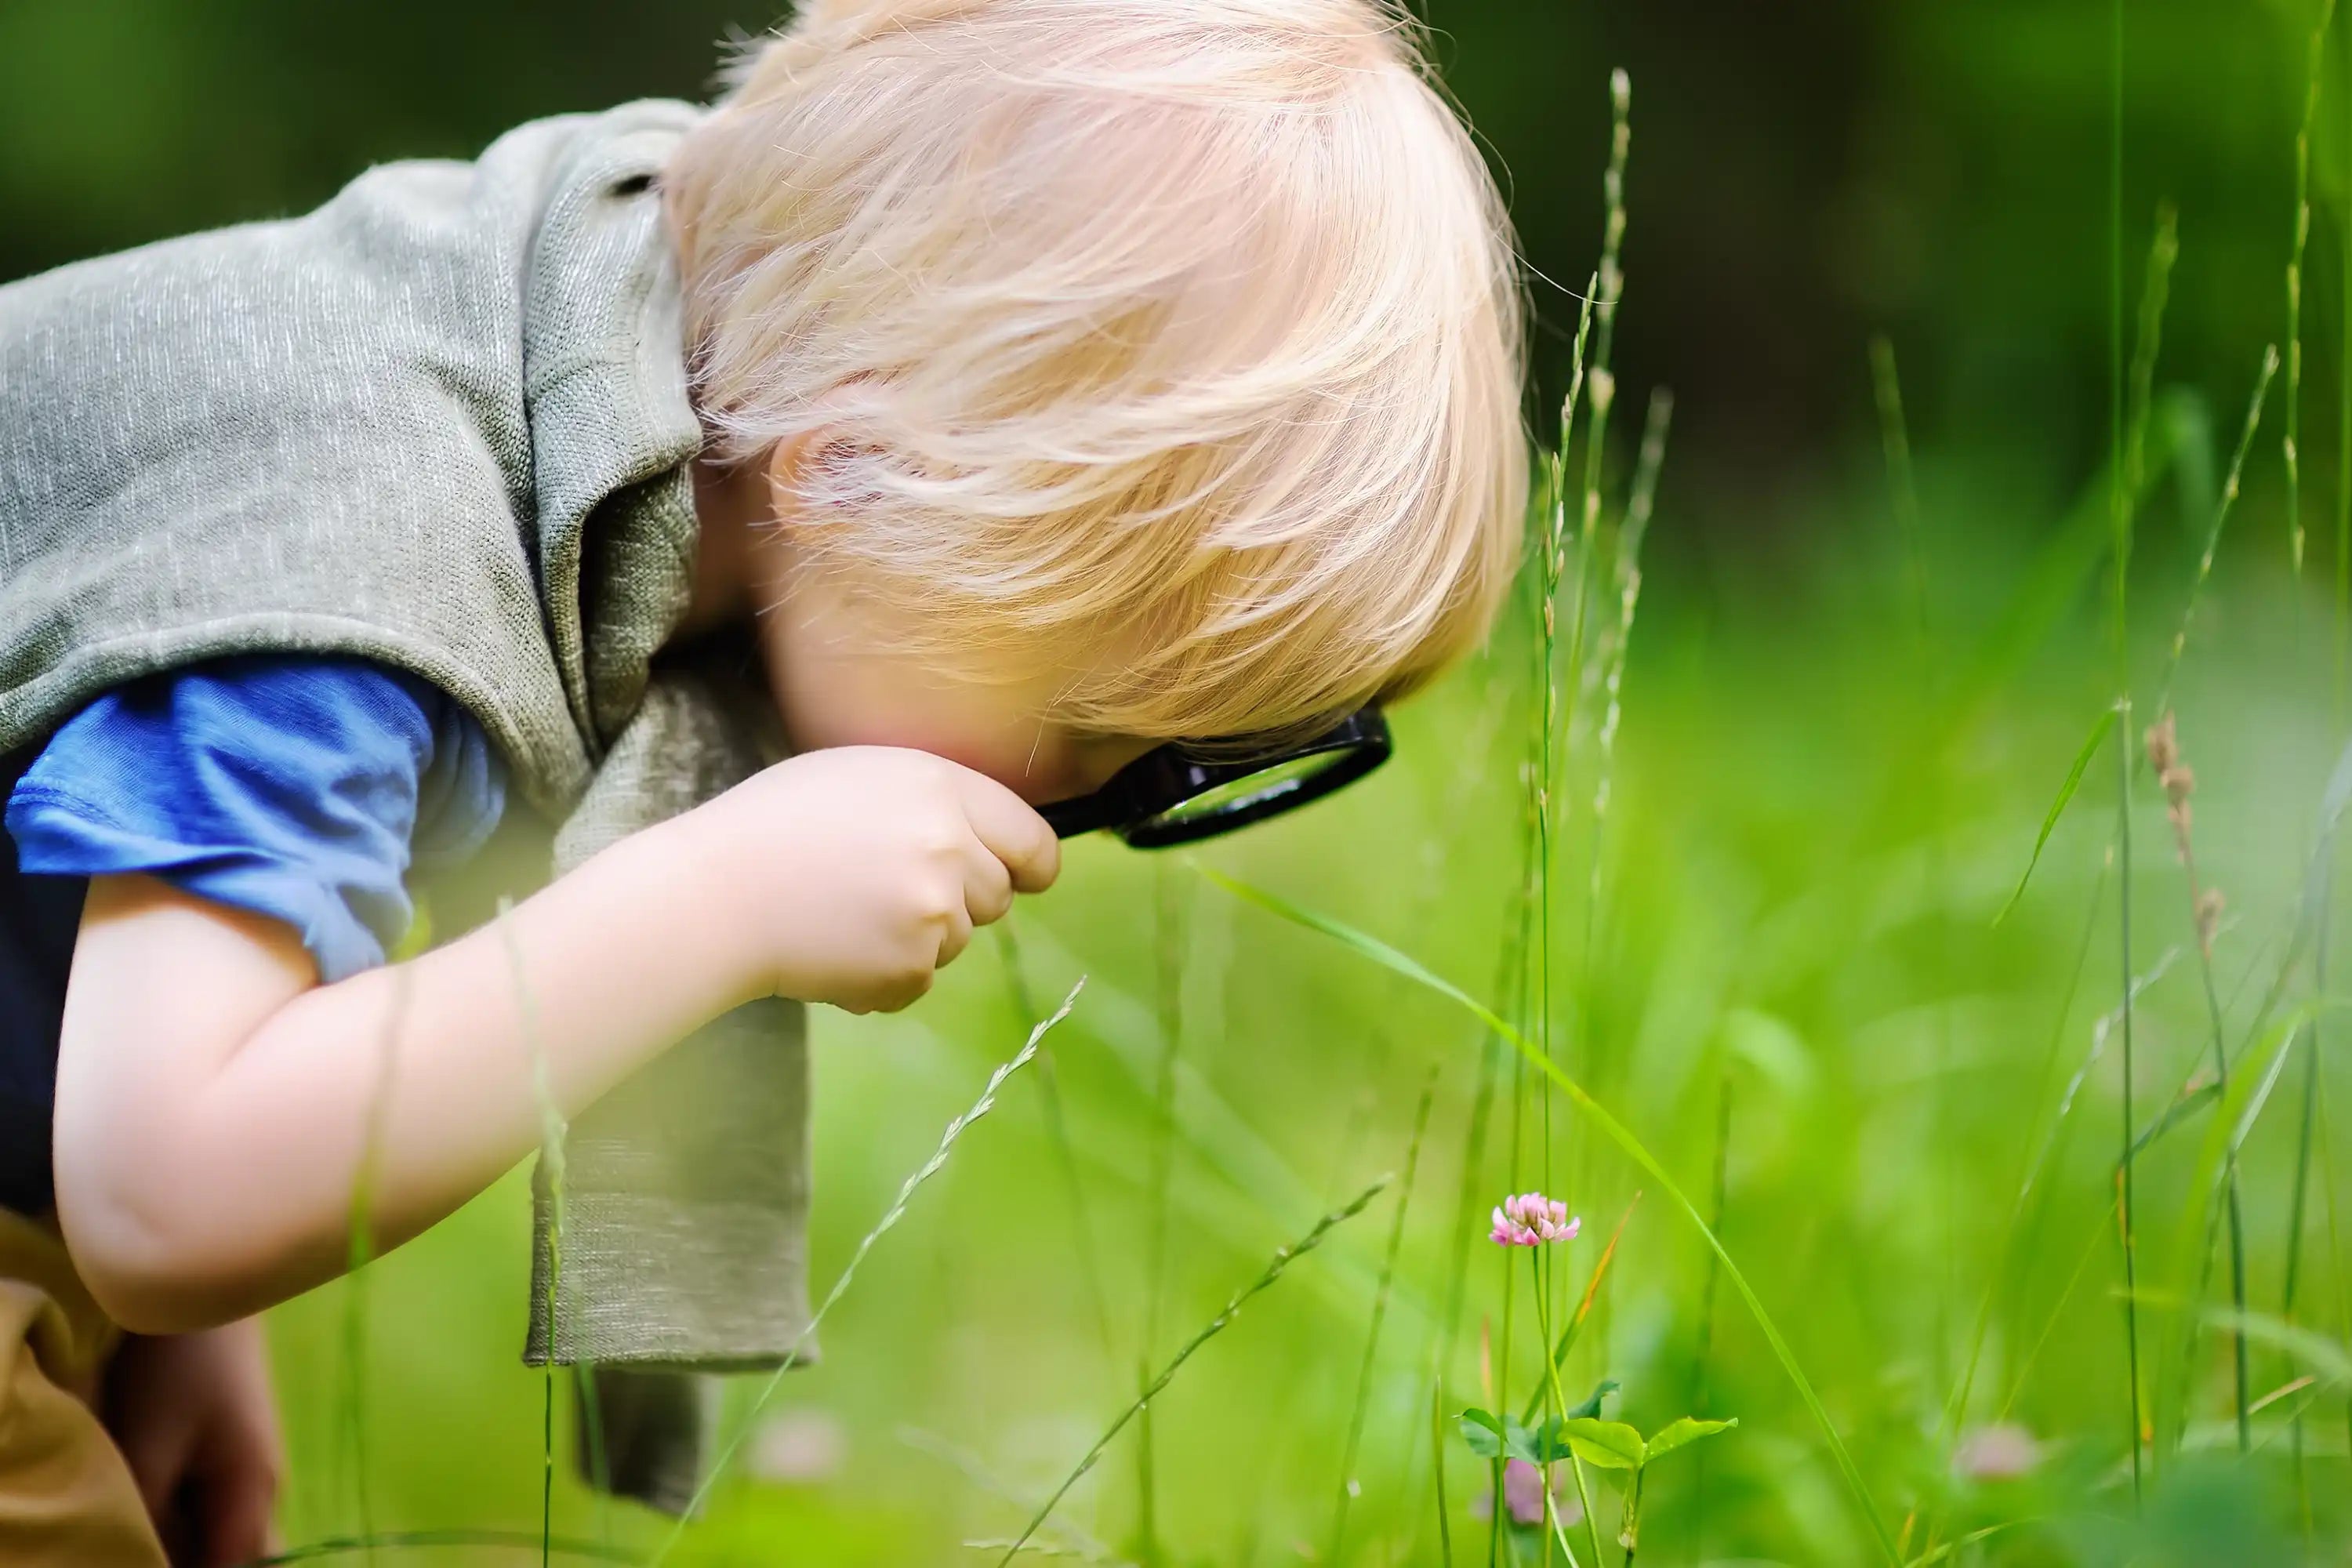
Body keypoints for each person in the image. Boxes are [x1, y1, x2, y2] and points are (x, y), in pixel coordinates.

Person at [0, 0, 1526, 1559]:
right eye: (1086, 742)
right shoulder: (355, 547)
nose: (1074, 814)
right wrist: (715, 895)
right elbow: (166, 1188)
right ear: (851, 478)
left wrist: (173, 1331)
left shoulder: (578, 335)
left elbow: (126, 896)